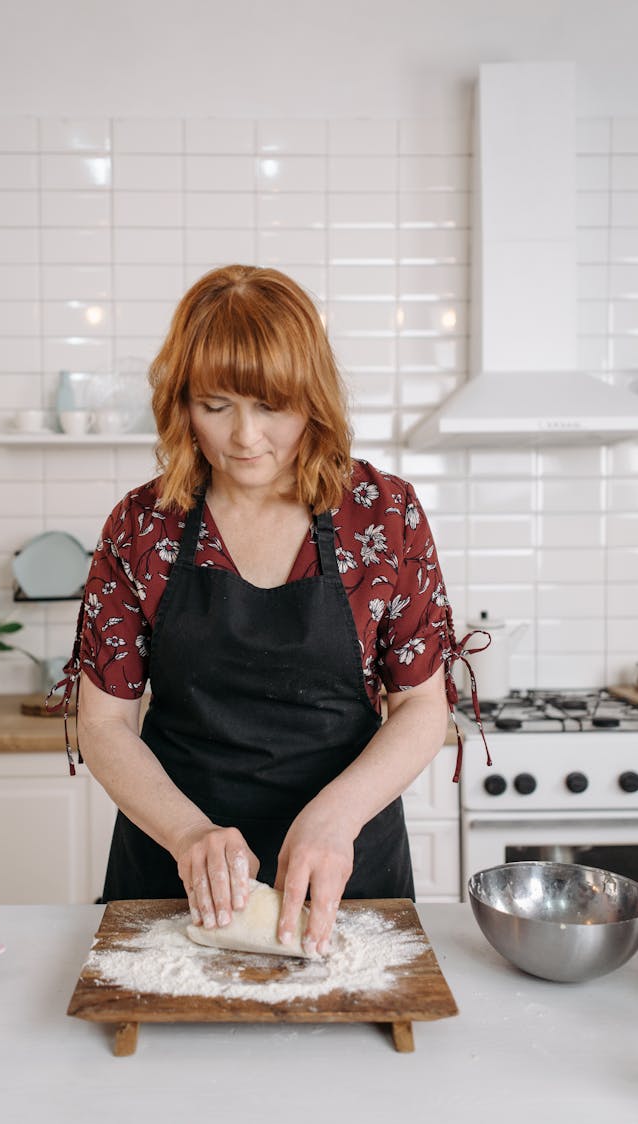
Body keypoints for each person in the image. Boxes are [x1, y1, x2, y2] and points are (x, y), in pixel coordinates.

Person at [59, 264, 471, 958]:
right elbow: (104, 723)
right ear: (182, 405)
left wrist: (335, 816)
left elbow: (422, 707)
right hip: (173, 865)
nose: (245, 437)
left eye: (271, 405)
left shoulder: (383, 513)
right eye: (216, 406)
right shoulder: (144, 525)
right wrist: (190, 834)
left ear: (312, 398)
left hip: (348, 865)